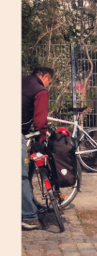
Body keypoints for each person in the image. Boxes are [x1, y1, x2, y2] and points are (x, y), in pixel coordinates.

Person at [22, 66, 54, 230]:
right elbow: (40, 122)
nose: (48, 86)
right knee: (20, 175)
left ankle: (29, 206)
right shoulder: (40, 90)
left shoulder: (22, 81)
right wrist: (40, 143)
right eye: (49, 82)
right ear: (45, 76)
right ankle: (29, 216)